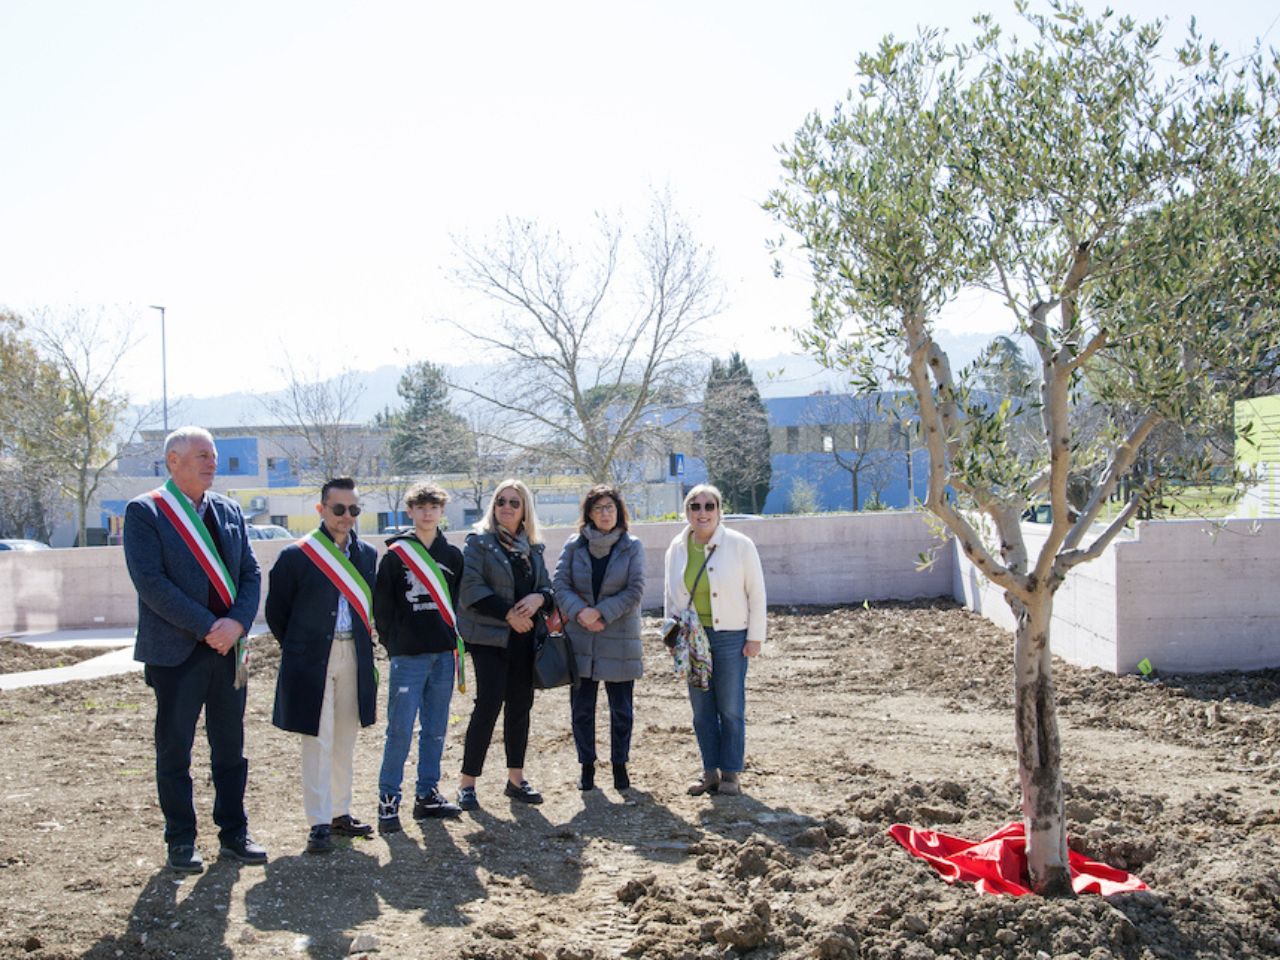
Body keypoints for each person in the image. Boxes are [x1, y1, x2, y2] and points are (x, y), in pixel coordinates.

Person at [123, 425, 267, 874]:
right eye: (203, 455)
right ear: (174, 461)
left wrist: (238, 622)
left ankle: (234, 832)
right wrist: (209, 626)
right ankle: (181, 840)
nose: (212, 462)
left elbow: (250, 572)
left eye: (214, 455)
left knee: (230, 747)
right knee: (175, 750)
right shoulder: (147, 512)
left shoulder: (228, 509)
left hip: (228, 650)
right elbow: (151, 583)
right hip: (176, 652)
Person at [266, 477, 378, 854]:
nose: (346, 516)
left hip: (354, 654)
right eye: (338, 509)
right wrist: (301, 649)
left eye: (354, 510)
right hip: (312, 657)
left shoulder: (367, 556)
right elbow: (277, 613)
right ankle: (318, 821)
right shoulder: (296, 556)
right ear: (321, 509)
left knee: (346, 736)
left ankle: (340, 812)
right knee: (318, 738)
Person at [455, 479, 554, 810]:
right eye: (501, 501)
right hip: (489, 639)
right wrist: (509, 614)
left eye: (514, 502)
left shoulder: (533, 548)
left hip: (526, 641)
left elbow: (548, 590)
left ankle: (516, 779)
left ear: (525, 509)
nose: (507, 507)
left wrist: (540, 597)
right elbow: (470, 590)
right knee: (488, 705)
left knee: (519, 708)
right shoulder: (479, 543)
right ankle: (467, 783)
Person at [663, 483, 766, 797]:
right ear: (687, 512)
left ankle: (731, 773)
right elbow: (670, 595)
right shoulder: (677, 548)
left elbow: (757, 592)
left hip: (731, 636)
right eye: (695, 506)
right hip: (694, 639)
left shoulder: (740, 545)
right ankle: (710, 771)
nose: (702, 512)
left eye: (709, 506)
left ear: (719, 511)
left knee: (731, 706)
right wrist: (672, 638)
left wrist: (755, 637)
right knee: (702, 709)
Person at [373, 482, 464, 832]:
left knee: (436, 729)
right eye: (420, 507)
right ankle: (388, 802)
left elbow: (455, 604)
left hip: (443, 653)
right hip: (408, 656)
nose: (427, 513)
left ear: (442, 511)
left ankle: (427, 795)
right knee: (399, 730)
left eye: (434, 506)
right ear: (409, 511)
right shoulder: (396, 555)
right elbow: (383, 607)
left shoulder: (453, 556)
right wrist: (393, 644)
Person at [552, 484, 645, 792]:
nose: (606, 513)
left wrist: (601, 613)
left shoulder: (632, 546)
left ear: (619, 511)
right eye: (599, 508)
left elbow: (635, 590)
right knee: (582, 708)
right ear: (588, 514)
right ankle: (587, 767)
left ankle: (620, 766)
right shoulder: (574, 545)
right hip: (581, 638)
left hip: (618, 635)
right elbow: (560, 585)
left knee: (621, 709)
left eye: (610, 507)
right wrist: (582, 613)